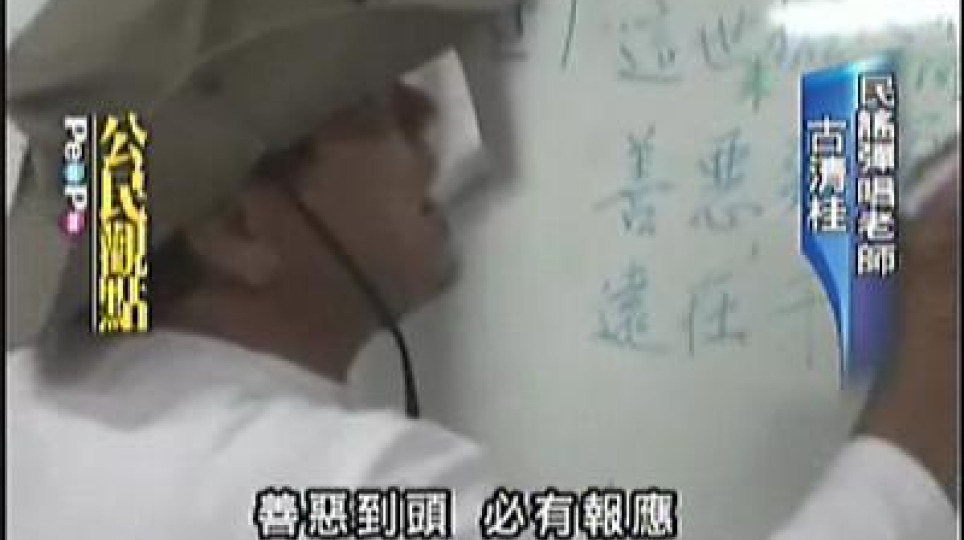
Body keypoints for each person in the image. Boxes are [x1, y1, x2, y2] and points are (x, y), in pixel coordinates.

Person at [5, 0, 958, 538]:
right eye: (376, 106)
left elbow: (127, 170)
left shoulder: (32, 409)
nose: (433, 124)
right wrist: (934, 356)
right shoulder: (342, 491)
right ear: (234, 226)